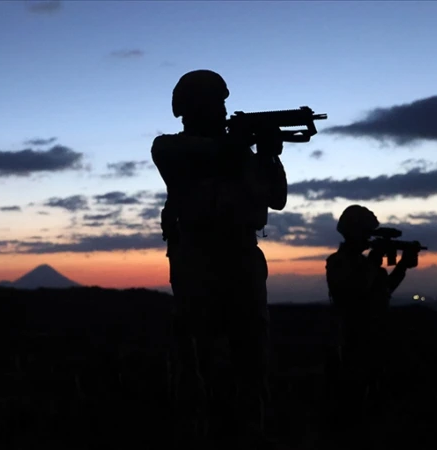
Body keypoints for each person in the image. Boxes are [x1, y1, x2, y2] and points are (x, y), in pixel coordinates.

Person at [151, 69, 287, 448]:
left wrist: (267, 155)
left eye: (223, 103)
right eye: (215, 103)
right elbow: (204, 156)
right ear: (189, 108)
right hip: (198, 260)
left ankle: (248, 428)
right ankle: (198, 429)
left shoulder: (239, 153)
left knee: (251, 355)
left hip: (242, 256)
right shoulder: (170, 148)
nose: (223, 111)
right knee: (198, 356)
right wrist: (242, 146)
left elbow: (275, 198)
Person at [323, 205, 419, 434]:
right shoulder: (338, 262)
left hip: (375, 345)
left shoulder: (365, 264)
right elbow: (356, 291)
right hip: (352, 347)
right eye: (365, 233)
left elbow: (384, 290)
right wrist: (374, 260)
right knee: (351, 415)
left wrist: (403, 265)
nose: (368, 238)